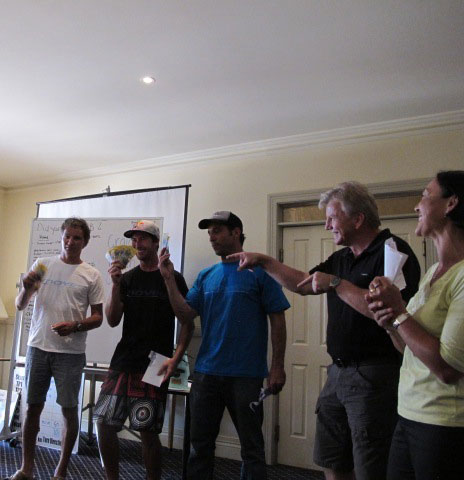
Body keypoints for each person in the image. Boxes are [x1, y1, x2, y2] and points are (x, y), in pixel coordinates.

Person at [230, 181, 421, 480]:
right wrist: (265, 262)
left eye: (332, 218)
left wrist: (337, 284)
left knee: (371, 466)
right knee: (331, 459)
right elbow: (303, 283)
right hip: (337, 373)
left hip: (375, 374)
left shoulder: (392, 251)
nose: (327, 225)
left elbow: (388, 311)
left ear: (357, 219)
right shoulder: (342, 258)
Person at [159, 211, 289, 480]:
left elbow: (278, 320)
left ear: (236, 232)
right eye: (209, 233)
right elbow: (185, 314)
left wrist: (277, 367)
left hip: (246, 376)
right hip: (207, 374)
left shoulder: (260, 273)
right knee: (199, 446)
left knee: (252, 448)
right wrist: (169, 279)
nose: (212, 237)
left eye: (217, 231)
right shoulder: (207, 276)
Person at [366, 171, 464, 479]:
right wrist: (390, 322)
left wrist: (399, 311)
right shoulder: (433, 272)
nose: (416, 206)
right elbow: (409, 348)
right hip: (408, 413)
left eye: (425, 195)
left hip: (444, 424)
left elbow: (448, 368)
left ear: (451, 204)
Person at [95, 220, 194, 480]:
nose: (137, 244)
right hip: (124, 360)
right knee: (104, 422)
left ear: (155, 242)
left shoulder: (173, 277)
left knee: (147, 430)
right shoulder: (127, 278)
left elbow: (187, 322)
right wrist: (115, 284)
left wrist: (176, 357)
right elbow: (112, 319)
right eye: (134, 239)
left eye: (143, 238)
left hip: (156, 362)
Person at [8, 217, 105, 480]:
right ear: (61, 237)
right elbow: (20, 305)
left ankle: (60, 471)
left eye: (76, 238)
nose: (70, 242)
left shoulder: (92, 274)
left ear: (85, 242)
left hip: (70, 353)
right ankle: (26, 469)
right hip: (38, 347)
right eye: (67, 236)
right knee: (32, 407)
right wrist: (26, 289)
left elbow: (98, 318)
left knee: (68, 410)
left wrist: (74, 326)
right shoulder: (43, 266)